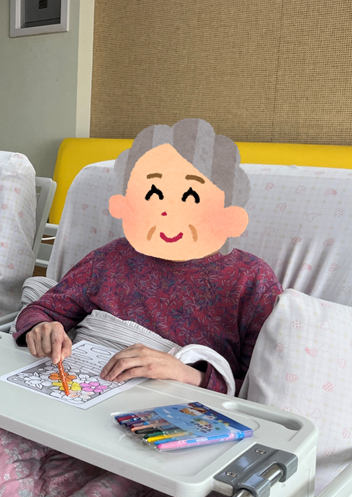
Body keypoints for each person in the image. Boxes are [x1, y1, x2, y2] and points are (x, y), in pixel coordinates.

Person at [15, 118, 281, 395]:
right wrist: (42, 327)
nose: (169, 210)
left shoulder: (251, 280)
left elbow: (263, 391)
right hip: (81, 391)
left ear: (229, 216)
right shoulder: (110, 260)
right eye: (153, 194)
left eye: (191, 196)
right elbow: (40, 310)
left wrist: (185, 373)